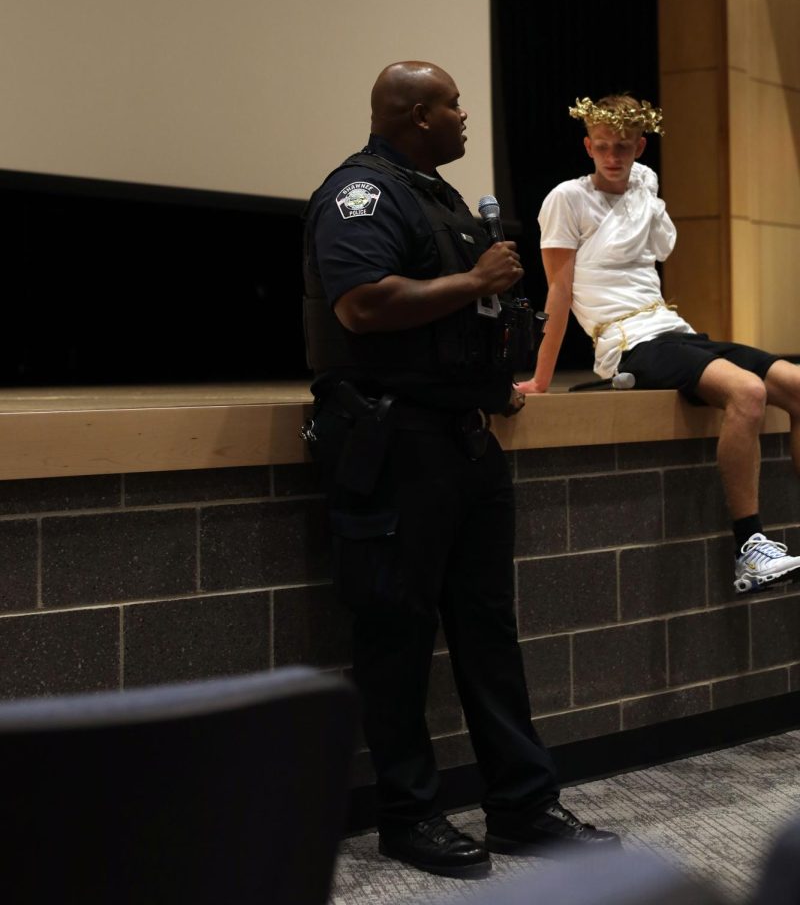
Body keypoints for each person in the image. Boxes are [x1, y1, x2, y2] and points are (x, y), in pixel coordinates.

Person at [302, 62, 619, 878]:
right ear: (413, 115)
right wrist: (474, 280)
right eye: (449, 104)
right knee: (397, 634)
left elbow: (464, 312)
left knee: (489, 633)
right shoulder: (360, 195)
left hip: (466, 440)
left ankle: (522, 805)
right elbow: (362, 304)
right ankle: (409, 815)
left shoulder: (440, 196)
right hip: (396, 445)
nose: (464, 114)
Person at [518, 93, 800, 594]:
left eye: (622, 147)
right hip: (627, 343)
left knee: (796, 383)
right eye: (602, 146)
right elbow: (558, 292)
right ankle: (750, 548)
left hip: (671, 329)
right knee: (748, 393)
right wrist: (542, 377)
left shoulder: (644, 185)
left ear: (639, 146)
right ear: (587, 145)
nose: (612, 157)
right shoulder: (567, 199)